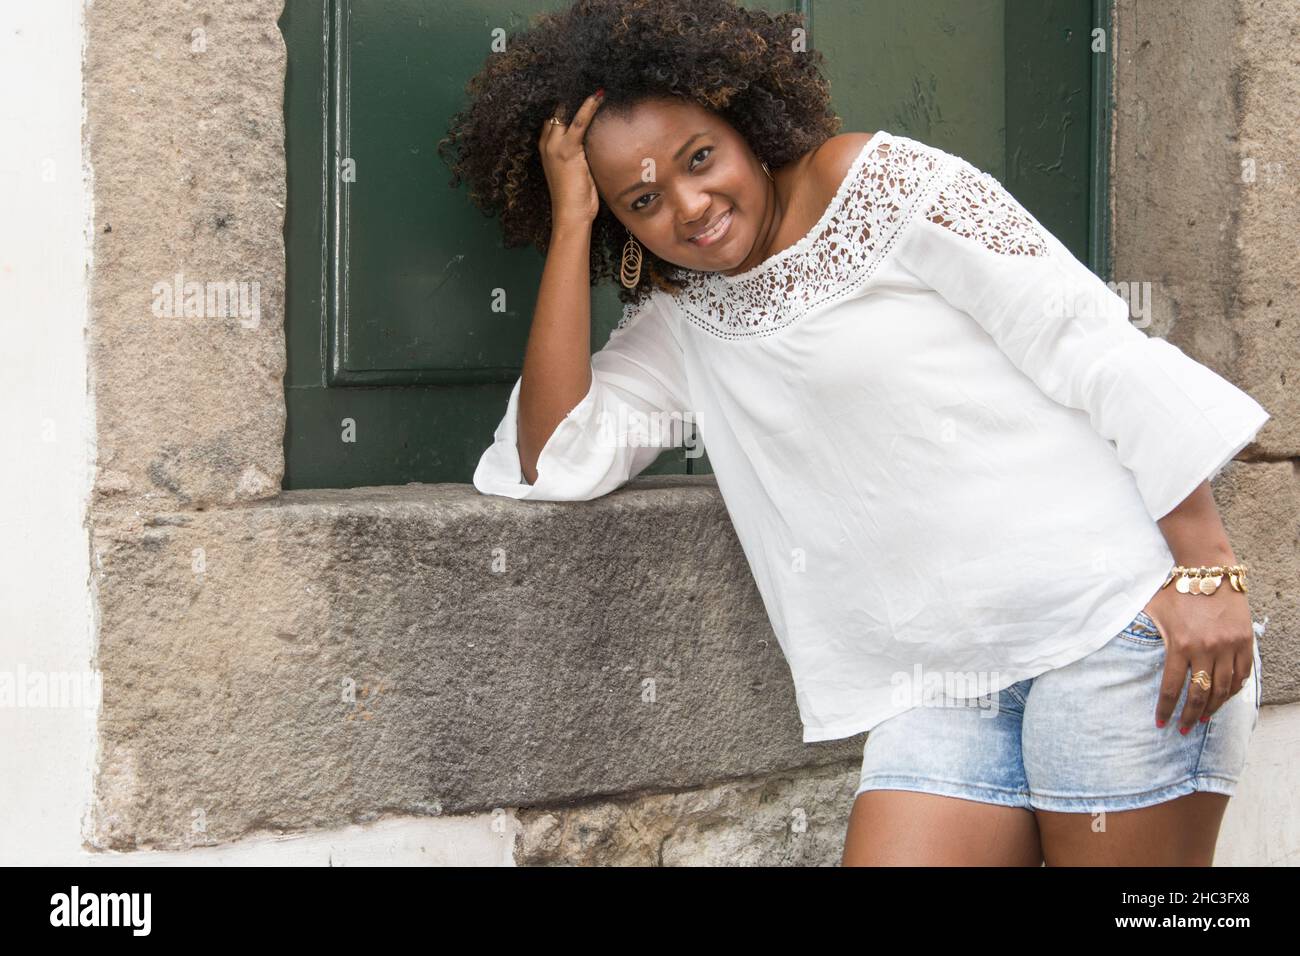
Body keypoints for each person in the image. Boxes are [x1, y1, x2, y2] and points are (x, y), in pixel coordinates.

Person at [440, 0, 1270, 866]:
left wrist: (1207, 568)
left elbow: (1090, 344)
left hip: (1113, 628)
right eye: (642, 200)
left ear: (746, 120)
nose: (689, 207)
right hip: (937, 689)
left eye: (700, 157)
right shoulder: (679, 314)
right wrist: (572, 227)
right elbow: (554, 458)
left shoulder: (874, 185)